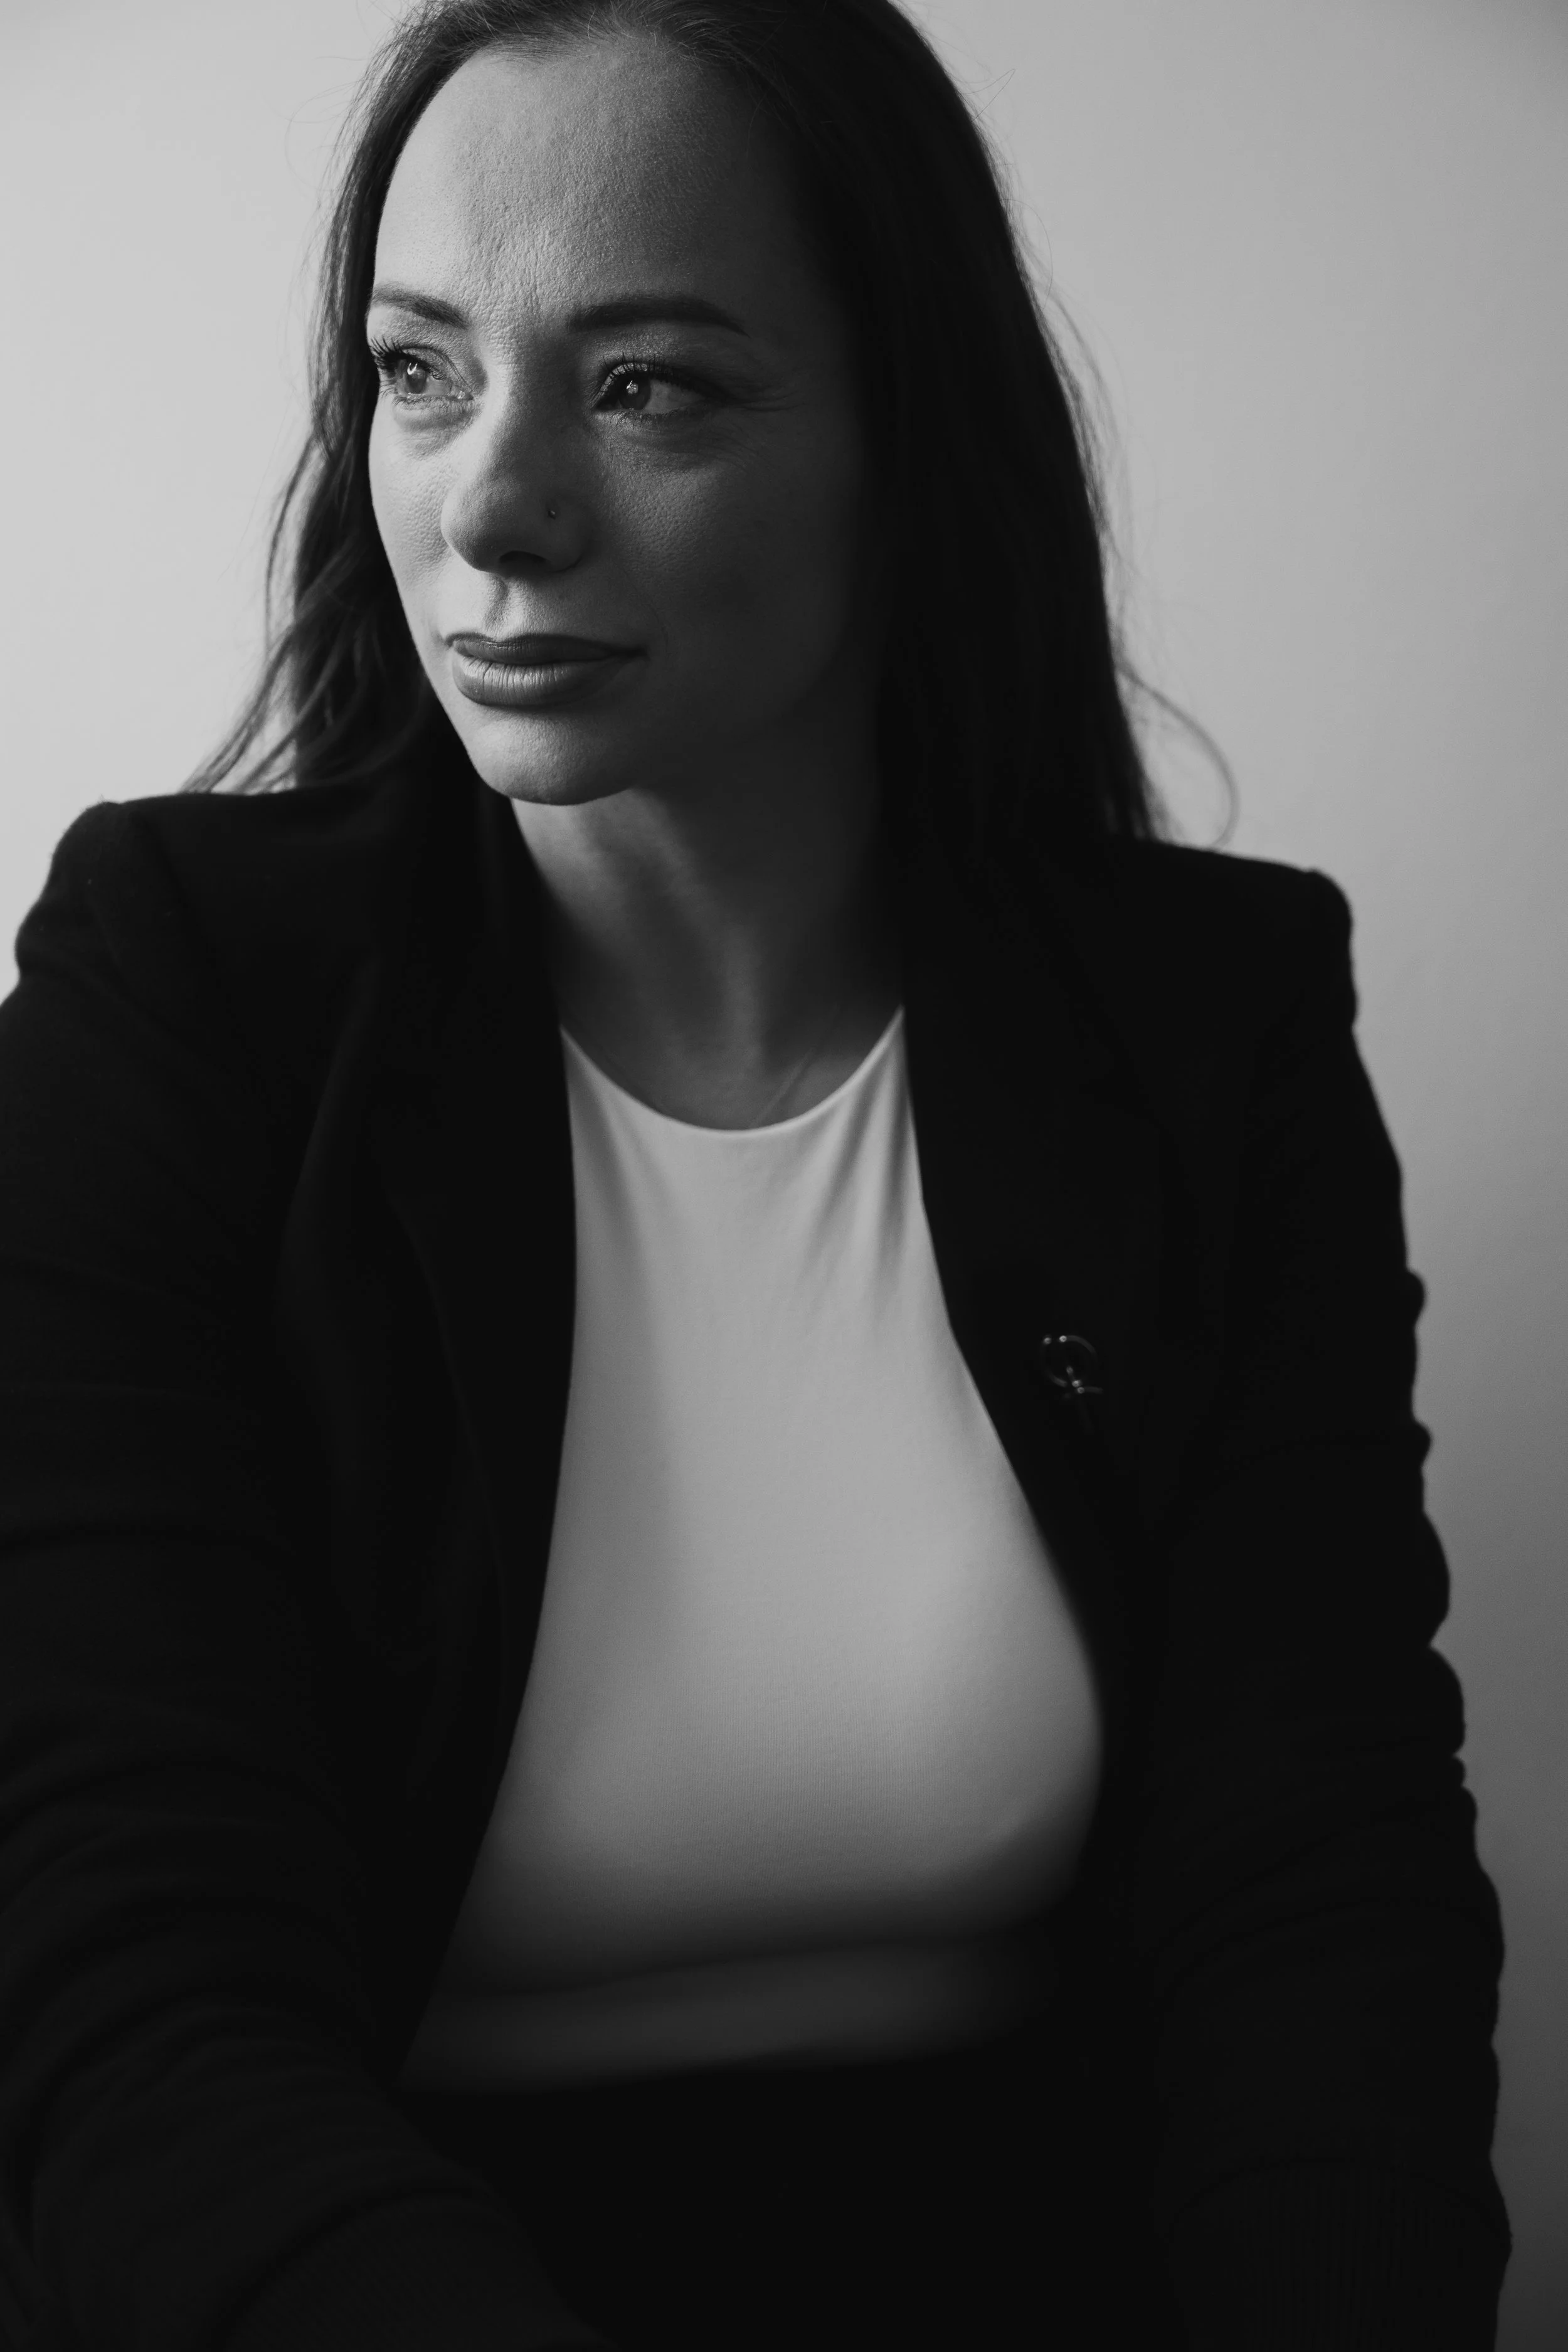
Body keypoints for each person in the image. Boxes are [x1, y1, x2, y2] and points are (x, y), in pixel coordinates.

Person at [0, 0, 1510, 2346]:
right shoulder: (172, 997)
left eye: (647, 384)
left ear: (912, 442)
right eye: (418, 372)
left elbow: (1322, 1909)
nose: (489, 505)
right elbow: (120, 1981)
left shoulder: (1210, 1027)